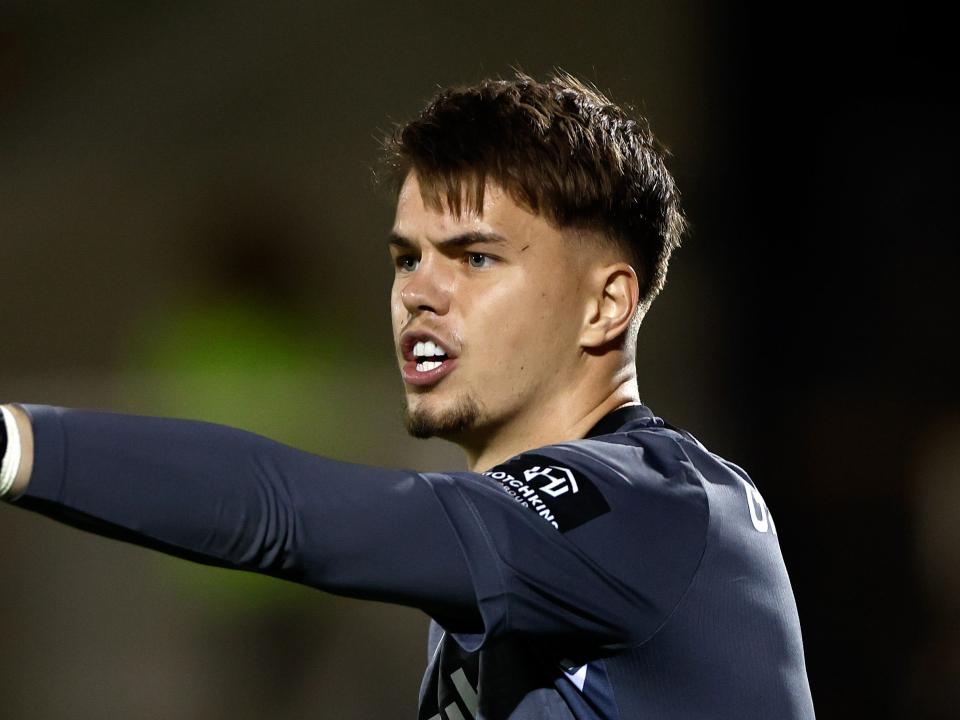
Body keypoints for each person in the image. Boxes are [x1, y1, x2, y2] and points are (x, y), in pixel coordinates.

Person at [0, 72, 815, 719]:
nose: (419, 293)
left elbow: (293, 515)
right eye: (406, 258)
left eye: (475, 258)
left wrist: (16, 444)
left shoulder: (642, 508)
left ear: (605, 305)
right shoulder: (538, 545)